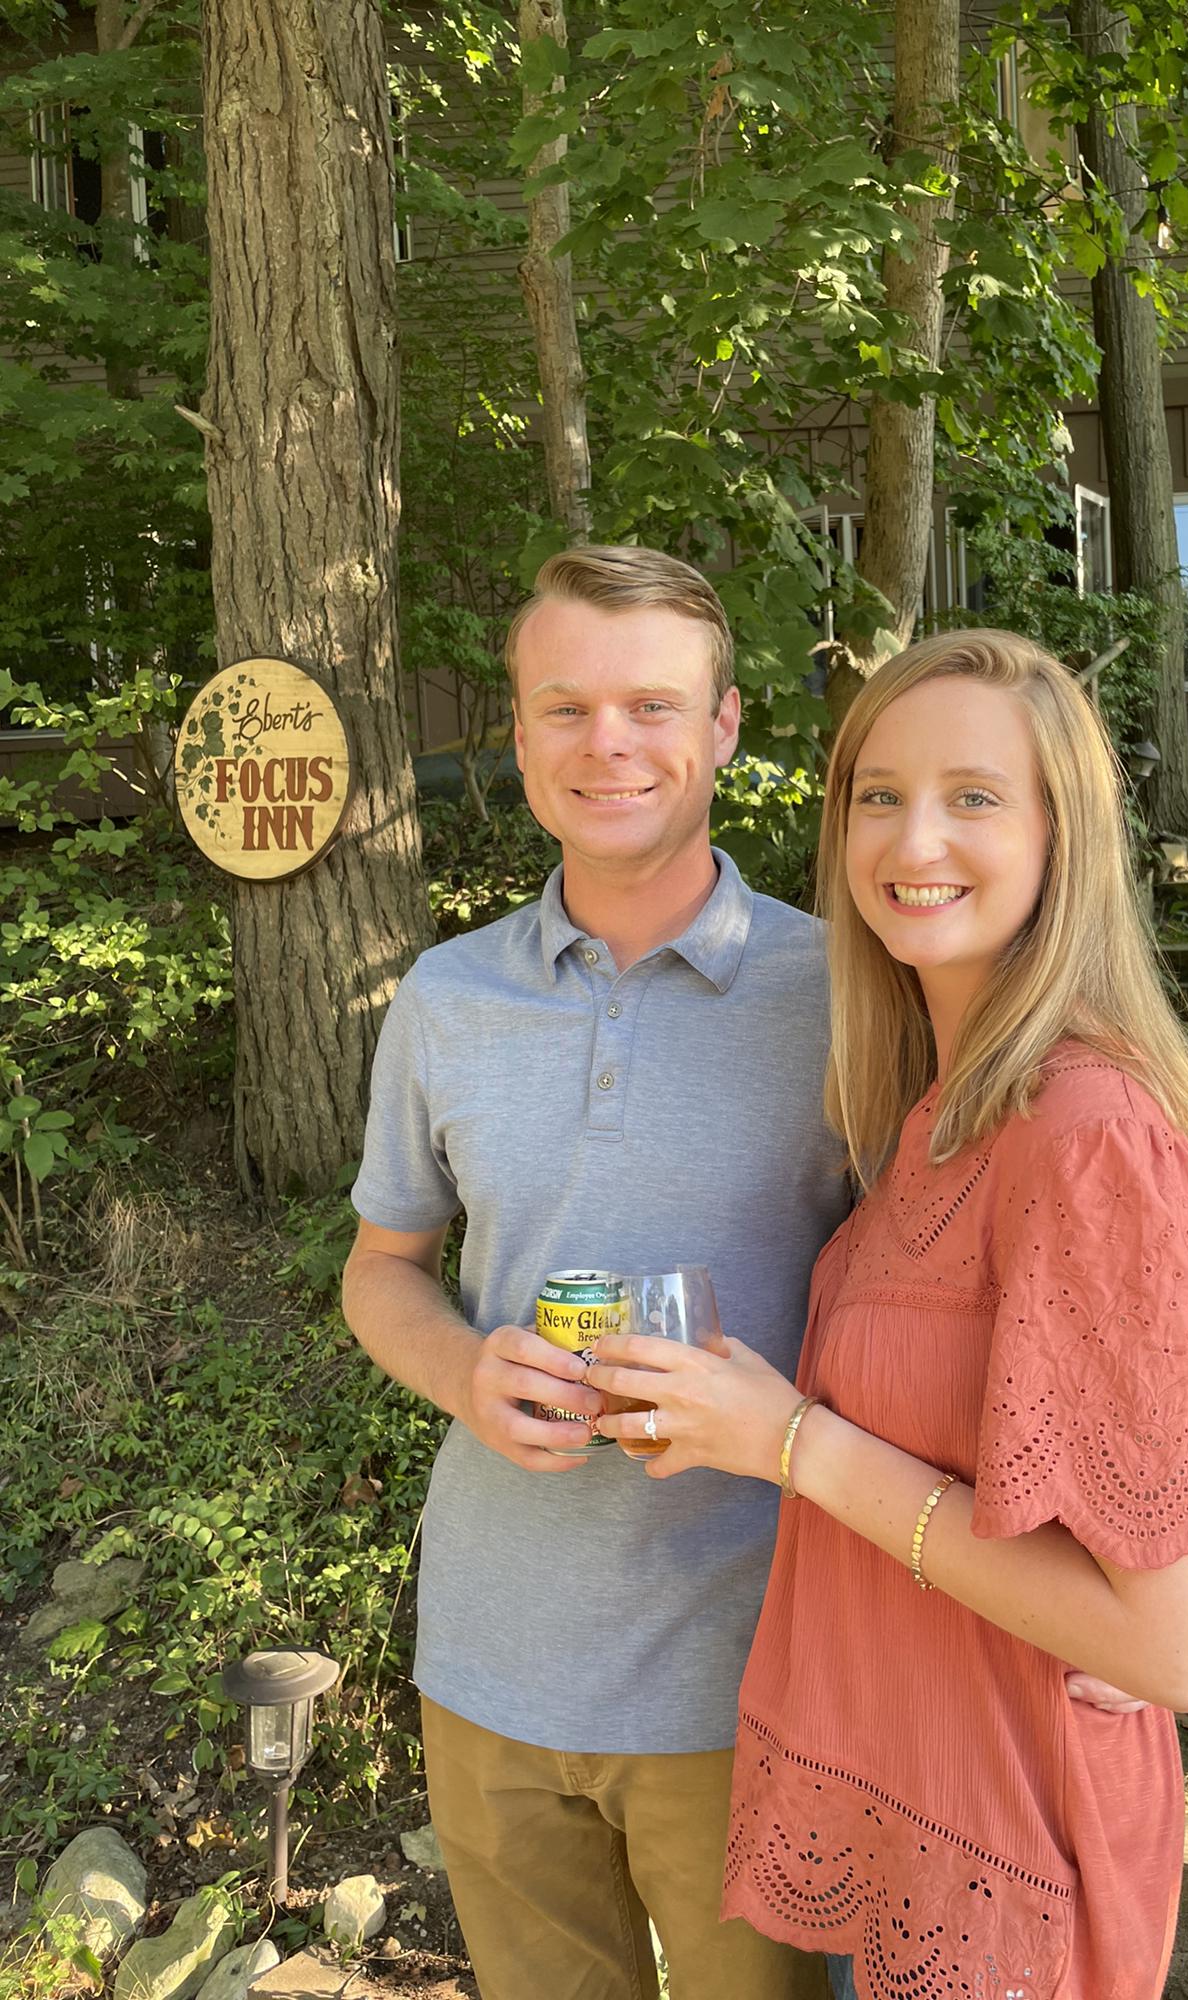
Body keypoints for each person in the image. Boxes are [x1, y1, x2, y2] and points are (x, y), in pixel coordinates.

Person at [586, 628, 1188, 2000]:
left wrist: (791, 1444)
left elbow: (1172, 1647)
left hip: (1020, 1866)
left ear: (1065, 833)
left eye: (974, 796)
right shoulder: (929, 1122)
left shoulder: (1088, 1131)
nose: (912, 836)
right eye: (876, 793)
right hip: (913, 1820)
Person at [341, 546, 850, 2000]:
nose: (607, 743)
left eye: (651, 705)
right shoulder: (446, 1000)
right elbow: (383, 1269)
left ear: (728, 725)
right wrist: (461, 1365)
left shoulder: (848, 997)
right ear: (515, 737)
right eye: (564, 708)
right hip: (492, 1672)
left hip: (751, 1679)